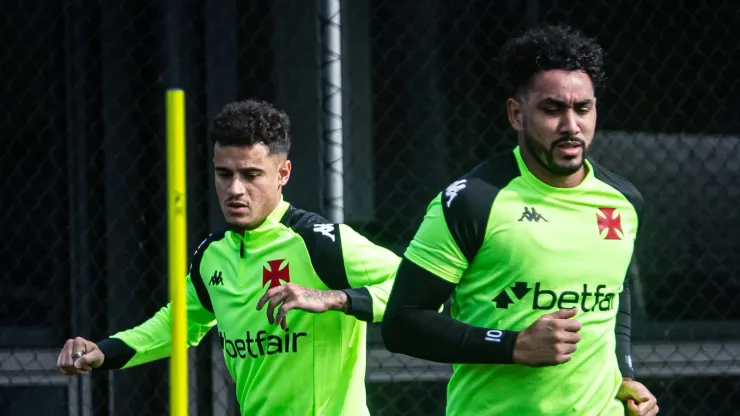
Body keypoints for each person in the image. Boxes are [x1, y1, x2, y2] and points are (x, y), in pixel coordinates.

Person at [56, 99, 400, 416]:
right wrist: (103, 351)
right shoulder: (211, 255)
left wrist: (333, 298)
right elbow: (177, 325)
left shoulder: (319, 242)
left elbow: (417, 286)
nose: (235, 189)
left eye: (251, 175)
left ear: (283, 174)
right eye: (224, 174)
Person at [381, 24, 659, 416]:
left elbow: (614, 296)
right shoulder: (473, 200)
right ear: (516, 113)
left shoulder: (625, 201)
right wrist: (512, 345)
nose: (571, 126)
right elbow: (402, 324)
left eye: (583, 108)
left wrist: (625, 373)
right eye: (552, 109)